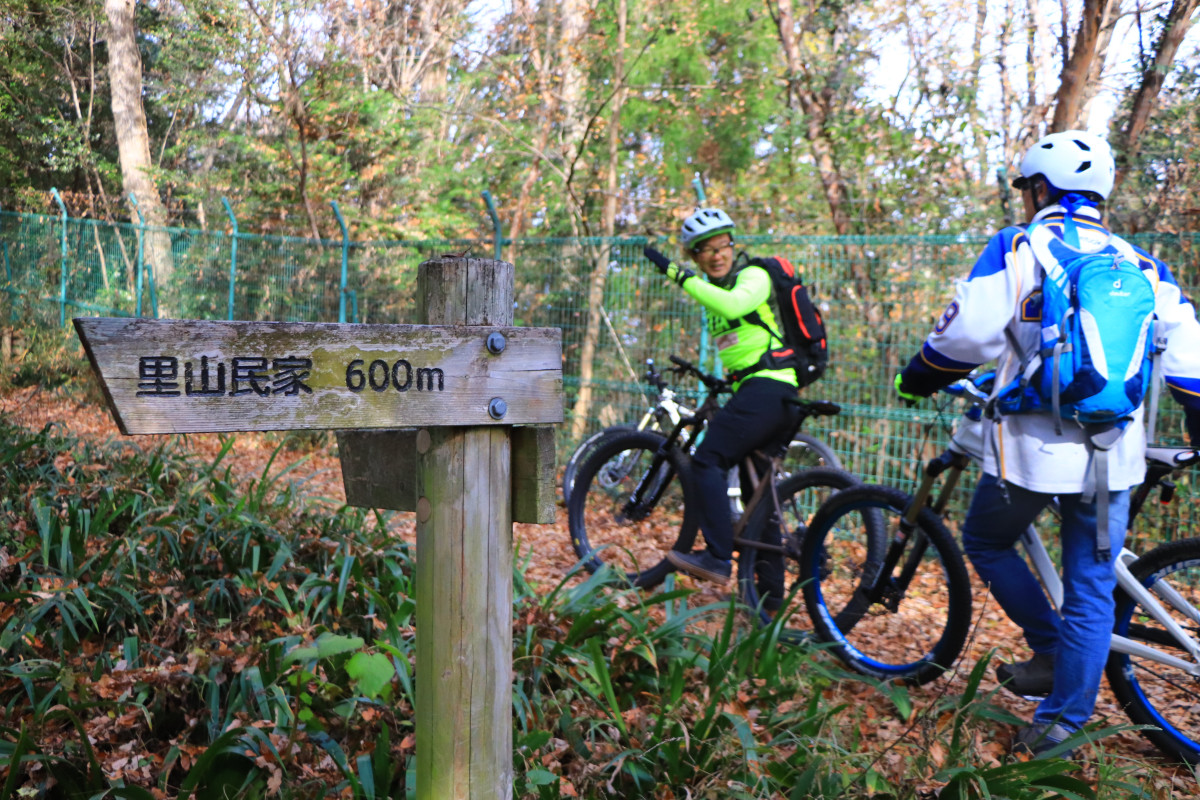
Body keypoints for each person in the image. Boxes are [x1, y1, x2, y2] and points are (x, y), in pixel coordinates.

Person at [895, 130, 1200, 757]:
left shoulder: (1018, 246)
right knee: (1090, 585)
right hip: (1113, 451)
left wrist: (920, 374)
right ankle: (1063, 721)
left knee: (985, 538)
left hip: (1031, 451)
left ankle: (1051, 647)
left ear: (1039, 189)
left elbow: (969, 337)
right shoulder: (1139, 261)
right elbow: (1188, 353)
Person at [642, 208, 805, 595]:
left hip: (770, 386)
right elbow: (740, 343)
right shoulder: (715, 289)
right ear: (696, 256)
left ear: (734, 245)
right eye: (706, 250)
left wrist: (675, 273)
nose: (718, 255)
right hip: (760, 387)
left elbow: (734, 306)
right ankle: (767, 603)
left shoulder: (754, 275)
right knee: (758, 496)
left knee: (707, 461)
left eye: (723, 245)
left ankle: (717, 556)